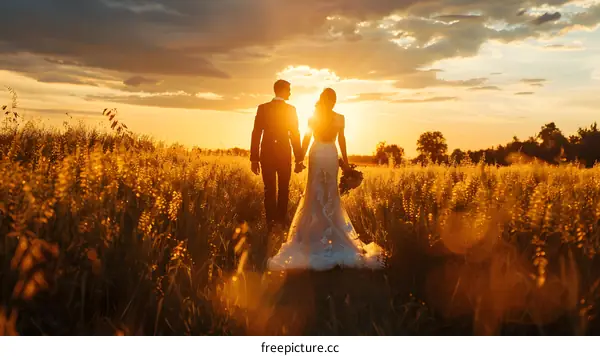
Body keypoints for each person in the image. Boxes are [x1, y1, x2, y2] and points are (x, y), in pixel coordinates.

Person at [266, 88, 384, 271]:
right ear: (329, 100)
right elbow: (326, 139)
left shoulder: (325, 117)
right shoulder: (333, 118)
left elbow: (323, 139)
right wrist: (303, 158)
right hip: (324, 154)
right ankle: (321, 235)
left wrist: (302, 159)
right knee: (322, 193)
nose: (332, 102)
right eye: (332, 99)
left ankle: (317, 235)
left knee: (322, 193)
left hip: (323, 154)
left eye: (331, 99)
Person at [250, 80, 305, 232]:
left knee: (269, 189)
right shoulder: (291, 110)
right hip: (283, 154)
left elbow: (256, 134)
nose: (290, 93)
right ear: (281, 90)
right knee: (283, 189)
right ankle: (280, 222)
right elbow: (295, 134)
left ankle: (270, 224)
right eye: (289, 90)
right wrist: (299, 158)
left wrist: (254, 158)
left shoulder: (263, 108)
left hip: (266, 154)